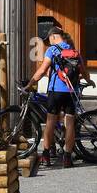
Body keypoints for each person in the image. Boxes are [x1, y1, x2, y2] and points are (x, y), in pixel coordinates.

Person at [26, 26, 79, 169]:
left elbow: (42, 70)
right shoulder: (74, 51)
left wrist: (30, 84)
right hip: (71, 92)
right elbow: (84, 71)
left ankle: (46, 155)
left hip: (55, 92)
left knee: (50, 123)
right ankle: (67, 158)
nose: (48, 42)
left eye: (49, 39)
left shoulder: (52, 50)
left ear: (53, 36)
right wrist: (90, 81)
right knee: (70, 125)